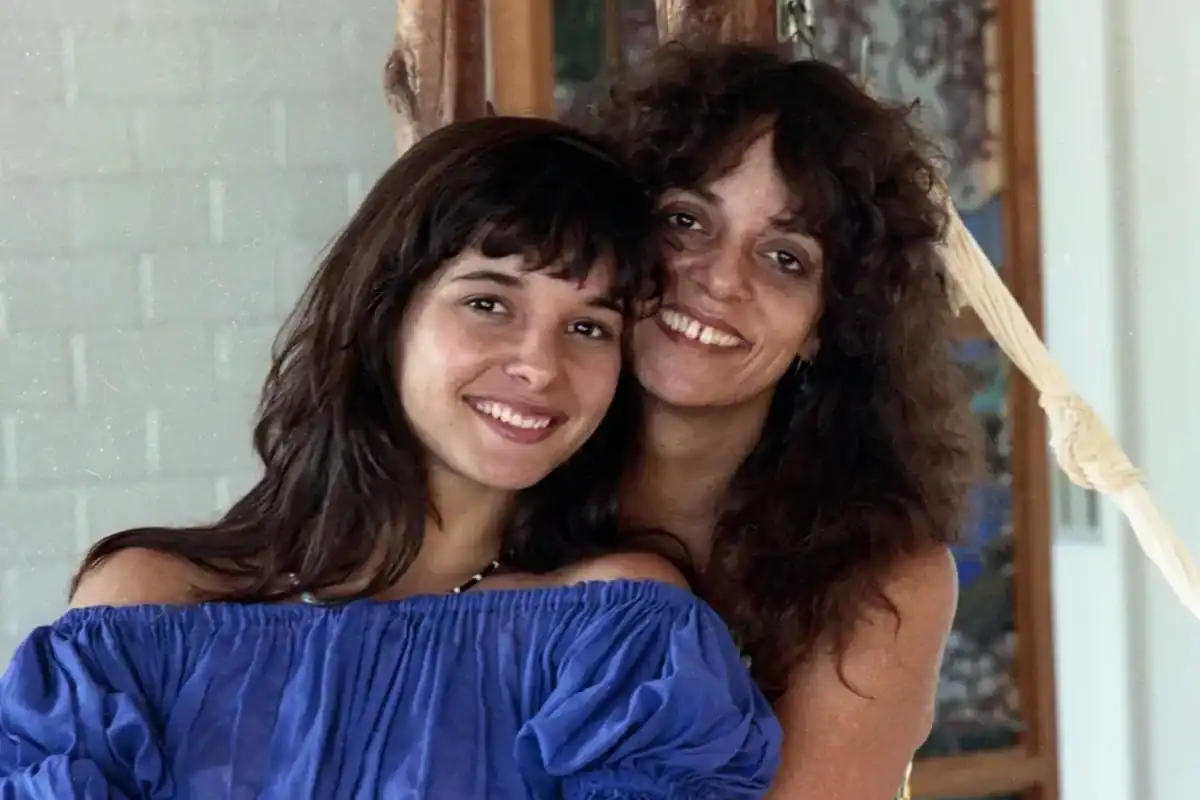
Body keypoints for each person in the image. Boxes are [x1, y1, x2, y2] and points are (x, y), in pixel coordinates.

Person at [0, 117, 780, 799]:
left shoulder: (618, 637)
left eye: (588, 328)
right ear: (385, 314)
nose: (540, 366)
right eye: (488, 303)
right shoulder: (141, 615)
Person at [586, 41, 982, 798]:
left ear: (826, 326)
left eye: (785, 258)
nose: (719, 279)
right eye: (686, 221)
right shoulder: (504, 474)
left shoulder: (880, 574)